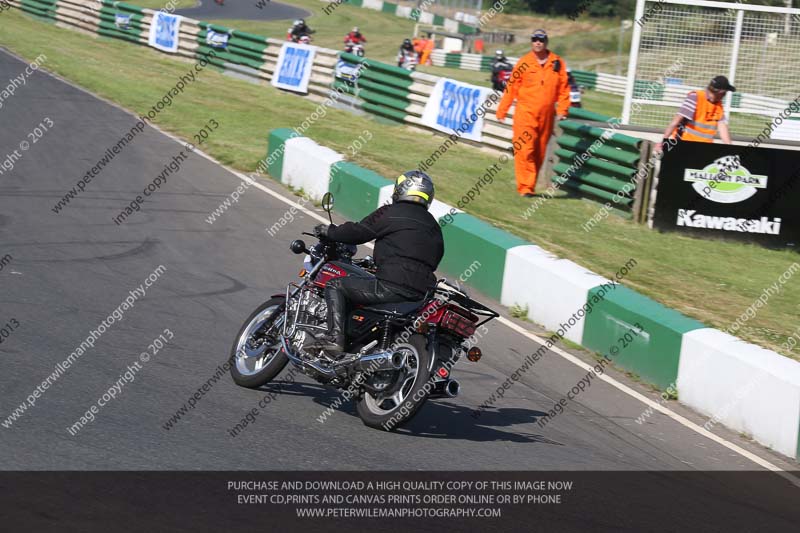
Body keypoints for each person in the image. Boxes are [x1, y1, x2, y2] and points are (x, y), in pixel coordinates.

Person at [312, 171, 444, 353]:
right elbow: (435, 258)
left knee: (335, 285)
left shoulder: (391, 212)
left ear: (400, 190)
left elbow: (359, 232)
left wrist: (330, 231)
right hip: (421, 294)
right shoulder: (434, 226)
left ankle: (335, 338)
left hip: (391, 285)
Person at [496, 29, 571, 197]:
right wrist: (502, 110)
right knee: (525, 149)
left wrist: (563, 109)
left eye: (541, 40)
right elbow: (511, 88)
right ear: (531, 42)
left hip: (547, 115)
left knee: (539, 151)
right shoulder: (524, 62)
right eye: (535, 39)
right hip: (525, 113)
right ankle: (525, 187)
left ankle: (530, 185)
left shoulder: (556, 62)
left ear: (546, 42)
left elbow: (564, 88)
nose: (538, 42)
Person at [655, 75, 735, 155]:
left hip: (703, 149)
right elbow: (676, 121)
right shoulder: (695, 97)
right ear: (720, 92)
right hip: (683, 145)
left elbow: (722, 127)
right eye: (725, 93)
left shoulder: (718, 105)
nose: (724, 96)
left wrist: (730, 149)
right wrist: (663, 142)